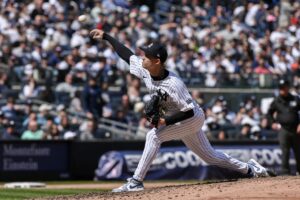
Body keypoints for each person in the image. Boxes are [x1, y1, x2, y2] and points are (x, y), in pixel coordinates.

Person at [89, 29, 275, 193]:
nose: (142, 57)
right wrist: (106, 37)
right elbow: (126, 54)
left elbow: (189, 111)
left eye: (146, 55)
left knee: (154, 136)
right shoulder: (146, 69)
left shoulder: (174, 84)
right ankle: (251, 169)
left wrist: (164, 122)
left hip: (191, 117)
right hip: (180, 118)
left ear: (157, 61)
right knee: (210, 157)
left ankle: (136, 181)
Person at [267, 79, 300, 175]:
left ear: (288, 88)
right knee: (285, 152)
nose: (282, 90)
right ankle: (285, 173)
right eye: (280, 88)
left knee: (298, 151)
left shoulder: (295, 99)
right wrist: (272, 122)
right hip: (283, 130)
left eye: (284, 88)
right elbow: (269, 113)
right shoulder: (277, 101)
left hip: (296, 130)